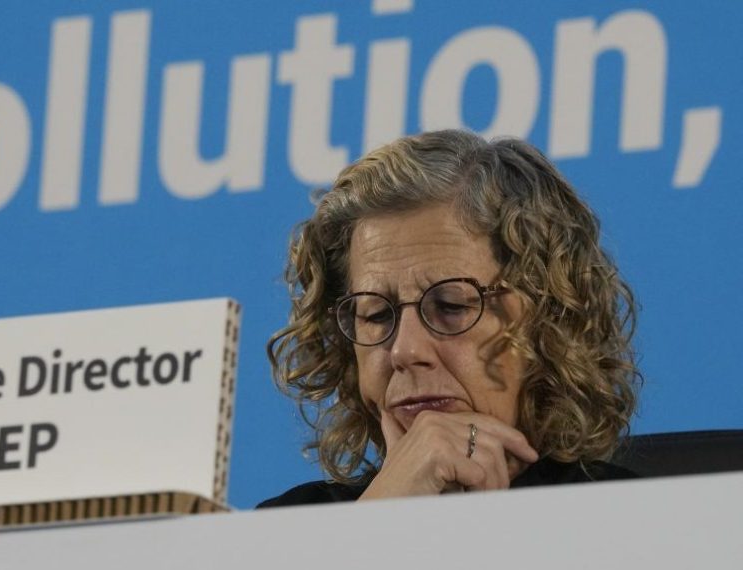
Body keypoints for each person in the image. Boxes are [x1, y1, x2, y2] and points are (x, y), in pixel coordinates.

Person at [259, 130, 640, 507]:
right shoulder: (283, 529)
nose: (405, 351)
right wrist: (381, 514)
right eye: (376, 314)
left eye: (451, 307)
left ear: (549, 319)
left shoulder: (637, 518)